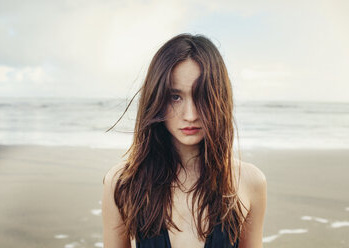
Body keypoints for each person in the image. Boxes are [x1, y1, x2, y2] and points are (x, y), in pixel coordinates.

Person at [101, 33, 267, 248]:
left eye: (203, 96)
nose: (190, 114)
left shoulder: (249, 181)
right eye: (175, 97)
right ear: (157, 98)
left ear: (220, 98)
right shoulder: (123, 183)